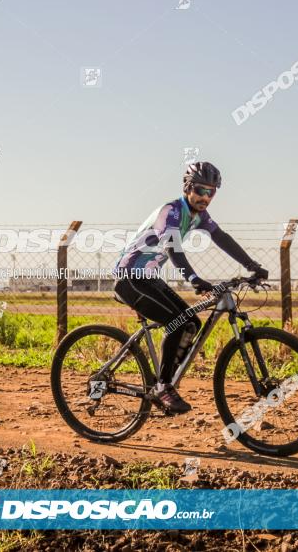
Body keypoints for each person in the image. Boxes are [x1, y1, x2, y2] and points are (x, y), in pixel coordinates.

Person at [113, 161, 268, 414]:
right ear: (187, 188)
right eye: (200, 190)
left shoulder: (199, 216)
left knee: (191, 323)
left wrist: (252, 265)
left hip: (149, 278)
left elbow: (221, 238)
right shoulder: (171, 211)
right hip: (129, 278)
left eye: (211, 192)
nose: (205, 197)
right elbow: (173, 248)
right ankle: (164, 387)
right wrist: (194, 279)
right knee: (176, 321)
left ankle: (166, 382)